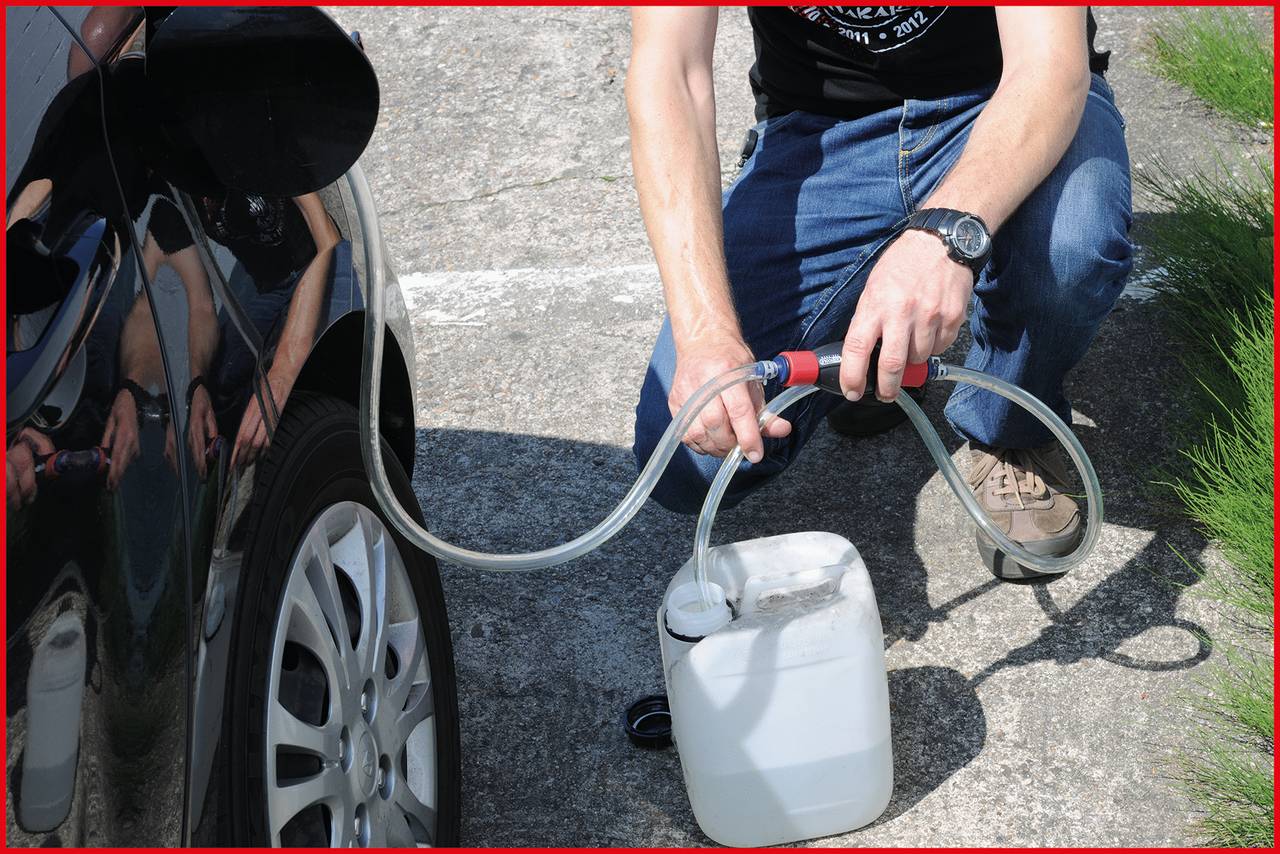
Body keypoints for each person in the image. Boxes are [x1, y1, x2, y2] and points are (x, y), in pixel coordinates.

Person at [627, 6, 1132, 577]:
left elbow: (1049, 65)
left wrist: (948, 233)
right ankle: (870, 350)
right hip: (820, 133)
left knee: (1069, 253)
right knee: (689, 458)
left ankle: (1011, 425)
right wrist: (705, 331)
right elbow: (670, 71)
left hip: (1005, 97)